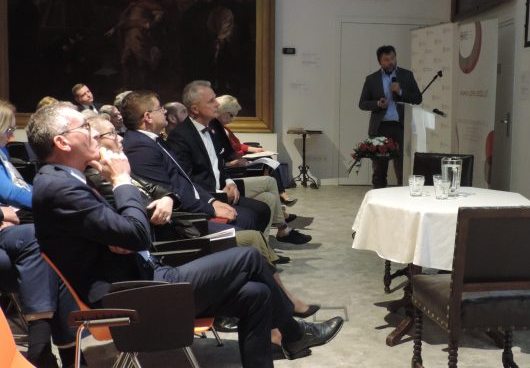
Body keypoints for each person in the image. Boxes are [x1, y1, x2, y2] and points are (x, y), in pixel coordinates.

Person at [28, 104, 343, 366]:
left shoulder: (66, 180)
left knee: (256, 294)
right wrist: (122, 181)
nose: (92, 132)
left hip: (144, 278)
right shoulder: (60, 187)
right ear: (63, 142)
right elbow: (136, 234)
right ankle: (294, 334)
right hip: (131, 296)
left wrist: (124, 232)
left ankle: (289, 338)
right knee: (249, 257)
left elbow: (128, 232)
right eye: (84, 127)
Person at [167, 81, 310, 244]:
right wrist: (215, 198)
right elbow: (185, 179)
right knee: (252, 214)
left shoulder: (211, 129)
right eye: (211, 101)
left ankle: (263, 249)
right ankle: (259, 249)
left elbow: (218, 165)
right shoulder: (180, 136)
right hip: (209, 194)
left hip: (222, 187)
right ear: (194, 109)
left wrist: (229, 182)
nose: (217, 104)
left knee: (265, 206)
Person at [120, 91, 270, 232]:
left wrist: (211, 201)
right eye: (160, 108)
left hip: (197, 201)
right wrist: (210, 209)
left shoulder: (153, 140)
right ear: (148, 117)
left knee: (256, 213)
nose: (164, 111)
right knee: (247, 220)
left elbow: (184, 180)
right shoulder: (139, 148)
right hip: (180, 220)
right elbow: (169, 191)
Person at [0, 101, 80, 366]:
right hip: (10, 233)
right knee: (39, 238)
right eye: (9, 130)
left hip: (12, 234)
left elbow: (17, 190)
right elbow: (10, 192)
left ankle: (68, 353)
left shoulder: (3, 154)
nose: (13, 136)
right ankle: (42, 346)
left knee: (57, 253)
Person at [215, 94, 297, 206]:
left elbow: (237, 145)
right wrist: (232, 162)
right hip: (233, 164)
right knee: (267, 164)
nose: (232, 119)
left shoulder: (223, 129)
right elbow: (223, 156)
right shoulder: (215, 131)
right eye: (231, 115)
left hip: (238, 157)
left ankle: (281, 196)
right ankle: (282, 195)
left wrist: (255, 149)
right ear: (222, 111)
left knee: (267, 158)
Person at [358, 45, 422, 188]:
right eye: (386, 60)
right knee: (379, 170)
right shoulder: (372, 79)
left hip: (401, 128)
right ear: (380, 62)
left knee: (402, 169)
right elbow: (362, 104)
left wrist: (400, 91)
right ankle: (378, 197)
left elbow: (418, 98)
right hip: (380, 128)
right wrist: (377, 104)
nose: (391, 62)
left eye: (392, 58)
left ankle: (401, 197)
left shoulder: (406, 75)